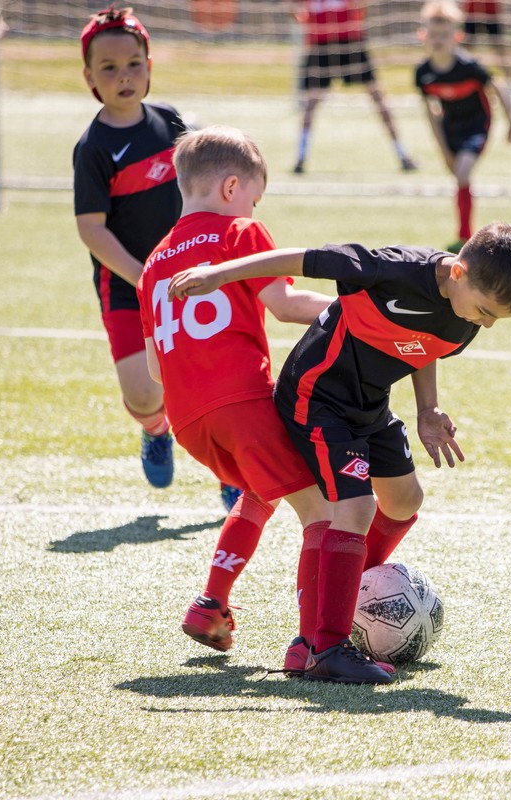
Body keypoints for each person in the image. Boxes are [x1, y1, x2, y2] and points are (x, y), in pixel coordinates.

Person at [168, 222, 511, 683]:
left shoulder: (467, 309)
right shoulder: (391, 269)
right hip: (316, 395)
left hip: (369, 402)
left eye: (496, 319)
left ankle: (343, 592)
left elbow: (426, 341)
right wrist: (221, 274)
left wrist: (428, 409)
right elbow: (301, 258)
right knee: (356, 506)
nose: (485, 323)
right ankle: (325, 646)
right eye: (486, 311)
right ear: (460, 272)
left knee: (405, 500)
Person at [135, 126, 335, 654]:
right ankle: (314, 643)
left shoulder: (153, 265)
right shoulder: (241, 234)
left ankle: (209, 604)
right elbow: (288, 305)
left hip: (188, 421)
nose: (252, 207)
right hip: (241, 404)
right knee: (322, 511)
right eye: (253, 196)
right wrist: (352, 309)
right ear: (231, 189)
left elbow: (156, 368)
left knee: (259, 491)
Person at [74, 6, 241, 509]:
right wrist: (142, 276)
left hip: (188, 276)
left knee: (210, 377)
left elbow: (200, 188)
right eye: (108, 68)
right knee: (146, 392)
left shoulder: (169, 121)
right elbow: (90, 228)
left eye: (133, 63)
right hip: (128, 284)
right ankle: (155, 429)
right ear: (90, 78)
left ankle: (228, 470)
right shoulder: (93, 147)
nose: (123, 76)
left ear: (149, 65)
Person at [416, 2, 511, 251]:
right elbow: (430, 114)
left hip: (477, 124)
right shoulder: (422, 73)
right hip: (450, 128)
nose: (438, 40)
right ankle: (464, 236)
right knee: (458, 176)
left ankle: (464, 238)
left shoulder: (469, 66)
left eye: (445, 35)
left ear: (457, 37)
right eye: (433, 34)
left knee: (462, 174)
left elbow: (497, 87)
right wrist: (443, 152)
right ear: (423, 36)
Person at [292, 0, 417, 174]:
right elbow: (294, 9)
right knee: (311, 103)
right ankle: (300, 157)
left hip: (350, 41)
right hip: (320, 44)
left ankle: (402, 153)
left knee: (377, 97)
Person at [460, 0, 511, 102]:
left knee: (502, 52)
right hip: (471, 12)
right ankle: (458, 87)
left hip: (491, 12)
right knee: (462, 54)